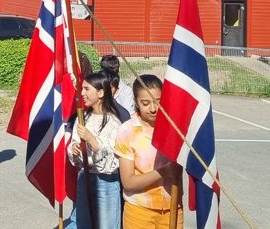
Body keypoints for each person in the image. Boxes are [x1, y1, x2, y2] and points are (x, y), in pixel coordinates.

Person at [116, 74, 182, 229]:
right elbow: (128, 182)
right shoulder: (127, 131)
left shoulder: (175, 128)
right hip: (139, 211)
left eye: (158, 102)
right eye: (145, 103)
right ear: (136, 102)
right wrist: (163, 172)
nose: (153, 109)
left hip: (172, 208)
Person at [65, 72, 123, 229]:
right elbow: (74, 143)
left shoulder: (114, 122)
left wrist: (91, 140)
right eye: (82, 89)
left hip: (106, 181)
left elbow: (113, 161)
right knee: (83, 223)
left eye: (86, 89)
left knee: (107, 224)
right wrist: (74, 149)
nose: (82, 93)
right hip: (84, 177)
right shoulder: (82, 117)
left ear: (101, 92)